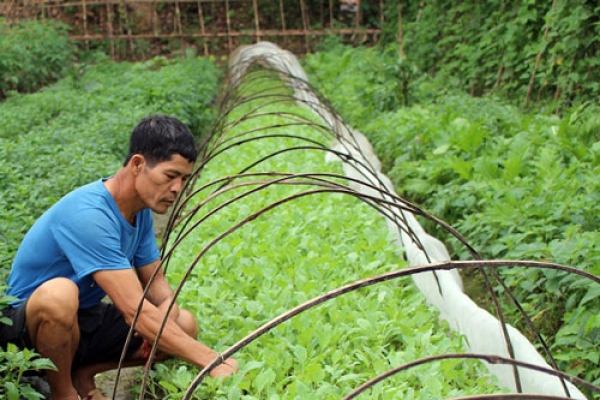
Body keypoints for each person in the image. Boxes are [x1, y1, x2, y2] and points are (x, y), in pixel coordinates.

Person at [0, 115, 237, 400]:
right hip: (24, 327)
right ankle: (63, 393)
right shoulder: (90, 215)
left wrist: (159, 324)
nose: (177, 188)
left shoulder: (140, 213)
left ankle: (83, 373)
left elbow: (160, 291)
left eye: (184, 179)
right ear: (138, 165)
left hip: (82, 317)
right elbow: (134, 311)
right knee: (60, 293)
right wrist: (211, 360)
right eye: (170, 176)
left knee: (184, 324)